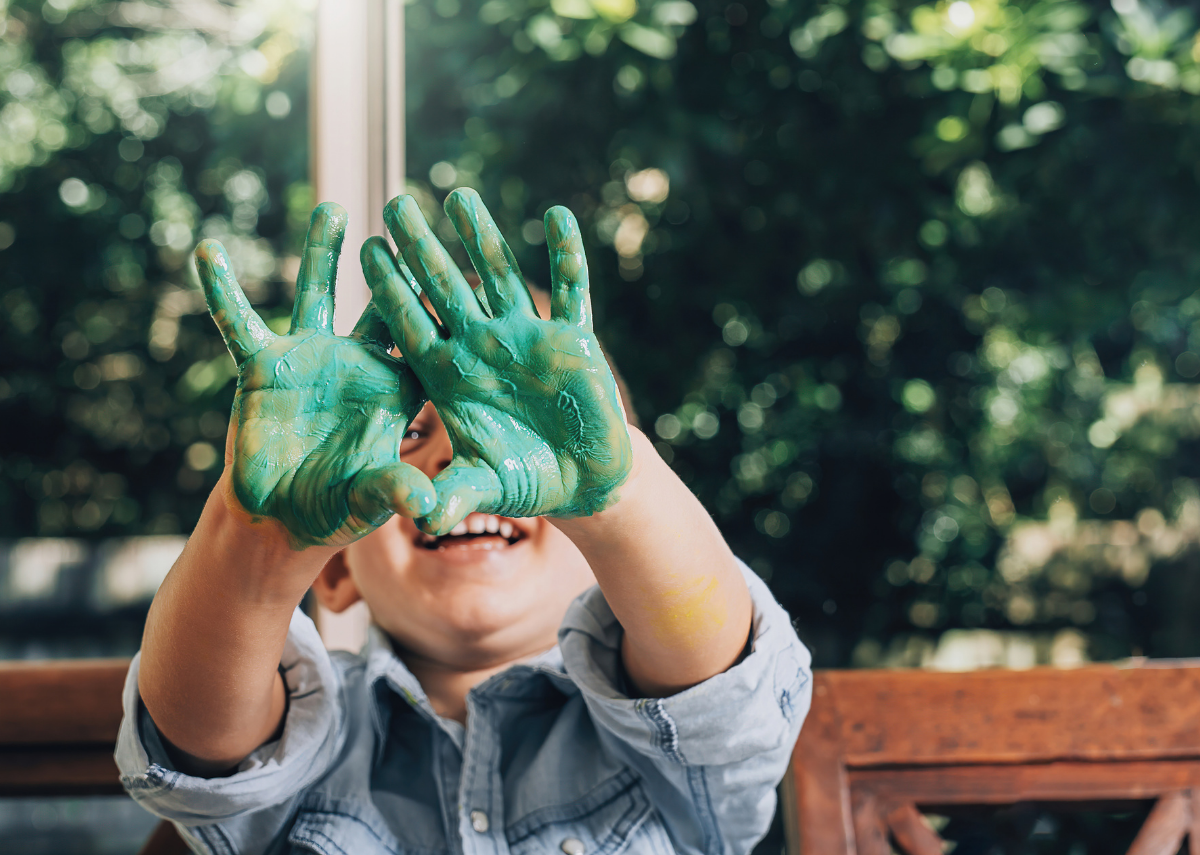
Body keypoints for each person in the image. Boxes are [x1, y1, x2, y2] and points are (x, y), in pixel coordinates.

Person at [116, 188, 811, 855]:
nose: (460, 456)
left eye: (519, 428)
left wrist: (618, 498)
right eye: (411, 435)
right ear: (334, 570)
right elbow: (203, 744)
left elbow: (720, 688)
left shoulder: (675, 752)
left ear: (601, 551)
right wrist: (257, 547)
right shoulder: (308, 735)